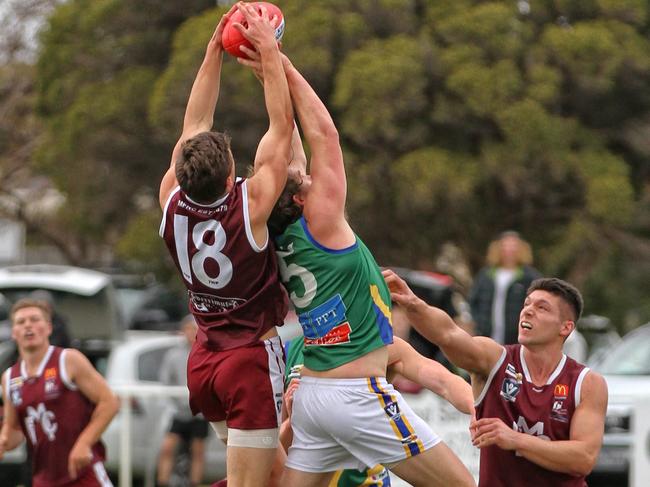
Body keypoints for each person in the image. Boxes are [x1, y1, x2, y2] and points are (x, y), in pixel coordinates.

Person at [237, 48, 475, 487]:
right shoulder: (323, 224)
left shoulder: (279, 233)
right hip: (356, 396)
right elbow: (324, 136)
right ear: (303, 200)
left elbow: (284, 145)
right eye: (305, 181)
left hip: (314, 398)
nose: (308, 174)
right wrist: (281, 62)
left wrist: (269, 70)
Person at [158, 3, 293, 487]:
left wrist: (213, 50)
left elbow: (193, 124)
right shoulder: (250, 205)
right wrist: (270, 54)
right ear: (232, 169)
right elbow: (282, 128)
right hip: (248, 359)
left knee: (276, 473)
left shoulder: (170, 200)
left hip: (204, 360)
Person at [382, 271, 608, 487]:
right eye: (527, 304)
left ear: (565, 327)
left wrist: (515, 439)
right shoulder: (495, 359)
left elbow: (584, 458)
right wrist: (413, 304)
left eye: (542, 308)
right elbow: (447, 334)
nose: (528, 311)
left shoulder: (586, 383)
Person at [281, 335, 475, 486]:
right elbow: (275, 451)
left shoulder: (377, 343)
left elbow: (443, 381)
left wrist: (480, 409)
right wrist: (292, 422)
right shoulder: (288, 353)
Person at [0, 298, 119, 486]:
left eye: (35, 319)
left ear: (48, 327)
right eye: (21, 322)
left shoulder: (68, 360)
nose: (28, 326)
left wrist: (84, 443)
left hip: (82, 472)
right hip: (44, 478)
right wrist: (3, 442)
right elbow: (14, 429)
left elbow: (109, 402)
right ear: (14, 332)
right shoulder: (10, 378)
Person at [156, 316, 209, 487]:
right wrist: (172, 405)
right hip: (179, 411)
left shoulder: (207, 353)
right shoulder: (173, 355)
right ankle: (162, 482)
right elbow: (165, 382)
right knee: (168, 447)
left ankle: (194, 483)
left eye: (194, 329)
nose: (191, 332)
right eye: (188, 328)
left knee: (198, 450)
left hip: (200, 413)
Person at [469, 231, 542, 344]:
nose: (509, 250)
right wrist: (478, 322)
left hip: (515, 336)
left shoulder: (529, 276)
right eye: (505, 246)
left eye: (514, 246)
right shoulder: (486, 275)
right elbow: (473, 301)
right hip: (486, 333)